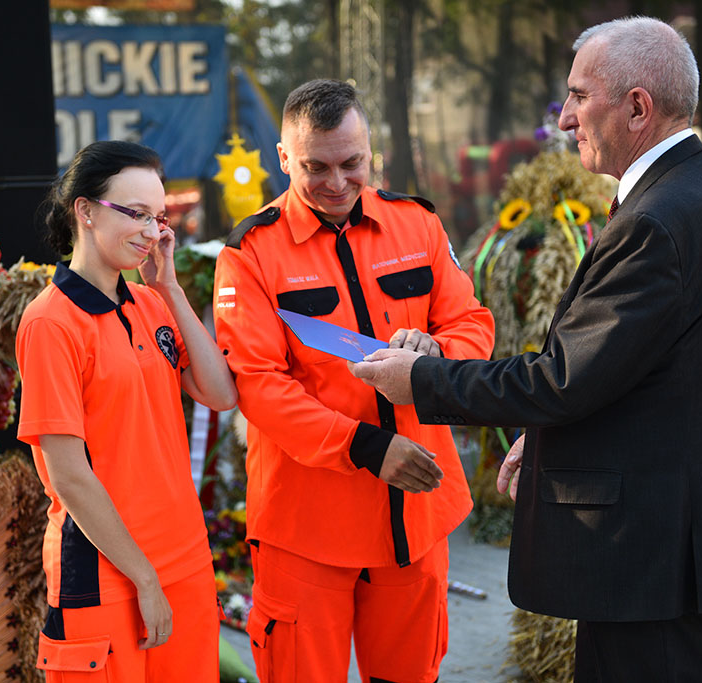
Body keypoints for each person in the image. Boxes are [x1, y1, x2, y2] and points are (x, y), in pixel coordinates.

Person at [351, 16, 702, 682]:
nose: (566, 118)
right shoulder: (698, 194)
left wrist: (423, 379)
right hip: (663, 551)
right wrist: (549, 437)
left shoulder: (661, 221)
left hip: (650, 560)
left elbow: (563, 378)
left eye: (579, 96)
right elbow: (643, 377)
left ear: (638, 107)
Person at [212, 79, 495, 681]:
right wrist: (366, 448)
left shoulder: (415, 224)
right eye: (315, 167)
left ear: (374, 154)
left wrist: (437, 352)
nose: (337, 183)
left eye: (352, 163)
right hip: (307, 531)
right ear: (284, 158)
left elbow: (471, 321)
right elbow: (259, 385)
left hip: (415, 518)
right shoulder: (250, 253)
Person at [16, 140, 236, 681]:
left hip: (183, 557)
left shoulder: (151, 304)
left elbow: (220, 393)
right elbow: (69, 476)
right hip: (108, 571)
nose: (150, 231)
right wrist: (143, 578)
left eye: (158, 216)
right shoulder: (51, 323)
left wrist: (171, 289)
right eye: (135, 213)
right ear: (85, 212)